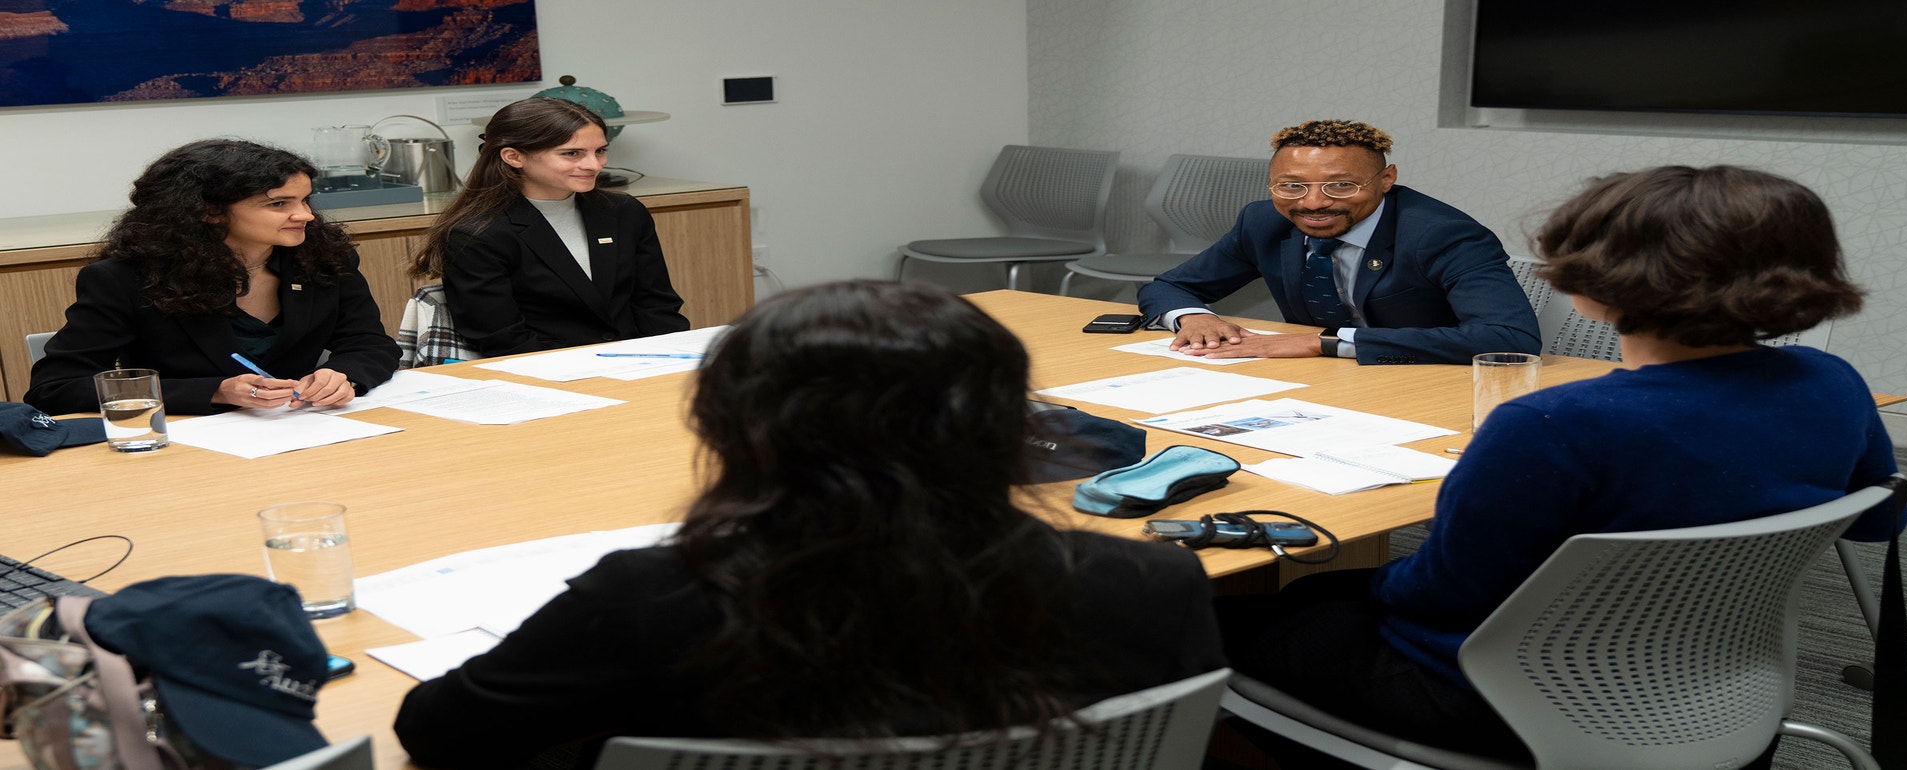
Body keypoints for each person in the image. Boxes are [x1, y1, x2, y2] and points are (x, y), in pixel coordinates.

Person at [1213, 165, 1907, 768]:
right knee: (1315, 603)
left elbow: (1438, 597)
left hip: (1505, 698)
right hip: (1720, 676)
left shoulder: (1551, 423)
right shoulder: (1832, 380)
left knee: (1218, 618)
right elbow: (1878, 521)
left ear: (1592, 286)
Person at [392, 281, 1226, 769]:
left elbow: (436, 736)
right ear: (1013, 427)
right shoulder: (1153, 579)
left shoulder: (649, 598)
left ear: (733, 428)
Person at [25, 140, 399, 416]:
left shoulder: (323, 259)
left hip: (307, 429)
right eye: (279, 204)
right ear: (210, 212)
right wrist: (215, 391)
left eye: (305, 200)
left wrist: (343, 373)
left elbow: (371, 344)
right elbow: (55, 388)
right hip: (188, 442)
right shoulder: (125, 280)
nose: (306, 215)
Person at [1137, 119, 1540, 365]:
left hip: (1421, 379)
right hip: (1316, 384)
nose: (1313, 202)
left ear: (1386, 179)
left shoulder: (1442, 234)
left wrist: (1324, 343)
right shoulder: (1263, 221)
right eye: (1292, 186)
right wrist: (1195, 318)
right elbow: (1169, 286)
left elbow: (1509, 338)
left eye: (1341, 185)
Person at [409, 97, 689, 358]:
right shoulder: (477, 233)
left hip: (641, 364)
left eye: (600, 151)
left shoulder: (624, 212)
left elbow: (657, 307)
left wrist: (669, 361)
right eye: (572, 153)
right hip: (546, 375)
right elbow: (502, 338)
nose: (594, 165)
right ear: (513, 157)